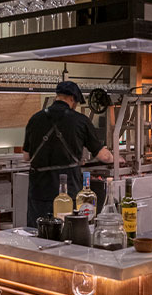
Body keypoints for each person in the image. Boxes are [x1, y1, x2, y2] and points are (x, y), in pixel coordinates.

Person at [22, 81, 117, 227]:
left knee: (37, 233)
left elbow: (26, 156)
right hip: (67, 190)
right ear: (72, 99)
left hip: (39, 190)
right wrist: (116, 158)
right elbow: (103, 156)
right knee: (67, 233)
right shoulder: (80, 121)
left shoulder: (35, 119)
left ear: (57, 96)